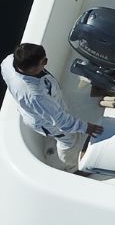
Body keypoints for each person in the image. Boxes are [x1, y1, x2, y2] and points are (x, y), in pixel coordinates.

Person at [1, 43, 103, 173]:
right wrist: (87, 127)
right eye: (44, 61)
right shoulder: (35, 95)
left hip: (40, 108)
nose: (46, 62)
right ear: (31, 69)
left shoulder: (8, 61)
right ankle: (71, 168)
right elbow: (61, 122)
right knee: (68, 140)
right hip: (46, 122)